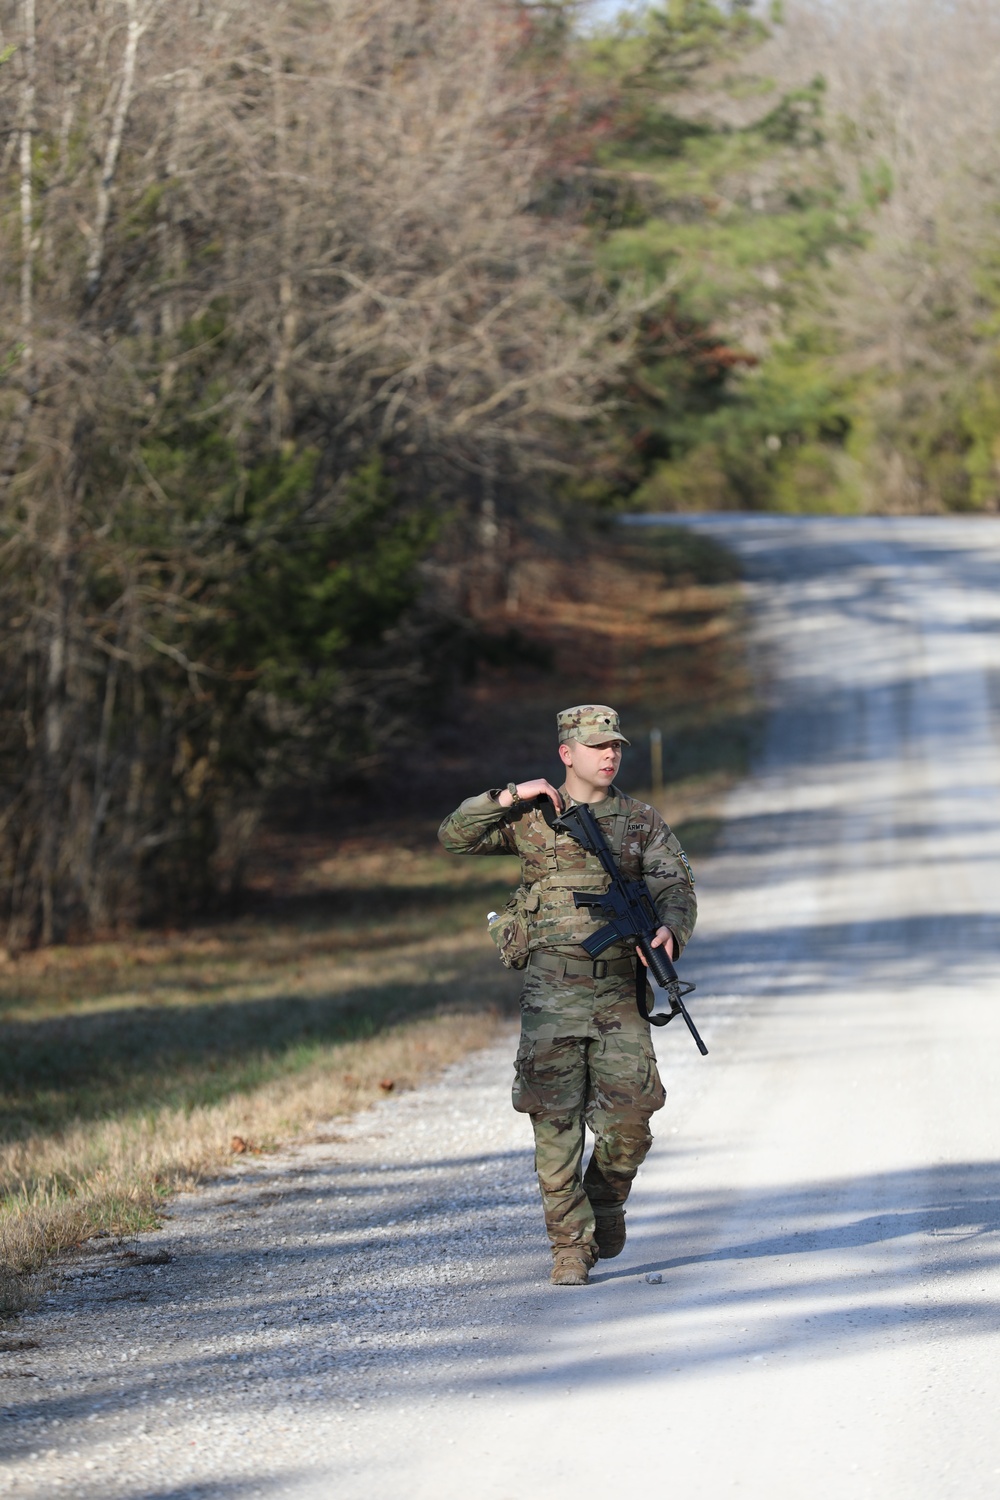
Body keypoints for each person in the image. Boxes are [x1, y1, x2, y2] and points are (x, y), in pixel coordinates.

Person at [438, 704, 697, 1286]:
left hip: (618, 994)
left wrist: (670, 928)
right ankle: (570, 1248)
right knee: (554, 1122)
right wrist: (507, 796)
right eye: (598, 745)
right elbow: (454, 836)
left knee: (631, 1121)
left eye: (616, 746)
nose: (610, 755)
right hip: (551, 992)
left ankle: (604, 1204)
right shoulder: (533, 817)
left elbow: (675, 883)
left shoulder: (640, 820)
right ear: (566, 753)